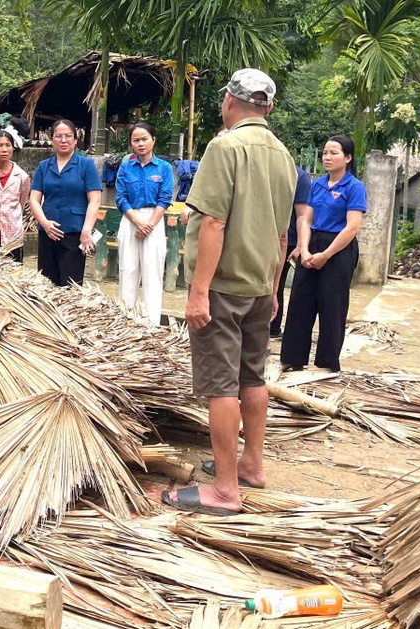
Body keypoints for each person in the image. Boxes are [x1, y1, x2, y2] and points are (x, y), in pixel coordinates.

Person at [161, 68, 297, 516]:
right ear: (269, 108)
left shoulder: (224, 146)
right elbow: (282, 234)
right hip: (260, 286)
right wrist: (274, 290)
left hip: (222, 286)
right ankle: (251, 465)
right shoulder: (283, 154)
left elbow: (213, 223)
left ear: (228, 101)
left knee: (221, 386)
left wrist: (198, 292)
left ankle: (223, 489)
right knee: (252, 377)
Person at [280, 136, 367, 372]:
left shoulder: (354, 187)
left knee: (332, 304)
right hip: (312, 242)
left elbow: (351, 227)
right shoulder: (318, 184)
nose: (327, 157)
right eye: (325, 152)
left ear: (348, 158)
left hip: (338, 248)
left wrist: (326, 255)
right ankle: (293, 357)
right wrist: (305, 249)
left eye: (334, 153)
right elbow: (307, 219)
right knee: (300, 301)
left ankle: (327, 362)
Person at [29, 119, 103, 286]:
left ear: (75, 140)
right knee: (47, 285)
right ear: (52, 140)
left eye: (68, 136)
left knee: (71, 285)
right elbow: (34, 199)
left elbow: (95, 200)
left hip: (75, 233)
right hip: (47, 232)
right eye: (58, 136)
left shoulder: (86, 165)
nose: (63, 140)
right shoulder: (43, 166)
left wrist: (86, 231)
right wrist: (44, 223)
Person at [115, 122, 175, 325]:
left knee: (153, 273)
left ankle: (151, 324)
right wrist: (137, 222)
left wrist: (149, 224)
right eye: (136, 140)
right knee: (128, 270)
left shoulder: (164, 168)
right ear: (131, 143)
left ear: (153, 140)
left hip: (154, 221)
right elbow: (121, 197)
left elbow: (165, 198)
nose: (141, 144)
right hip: (131, 218)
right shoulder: (125, 167)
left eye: (144, 139)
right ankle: (125, 320)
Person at [270, 166, 313, 337]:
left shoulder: (299, 176)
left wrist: (301, 245)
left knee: (277, 283)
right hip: (264, 236)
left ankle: (272, 328)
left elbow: (303, 215)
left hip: (289, 240)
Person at [0, 129, 30, 263]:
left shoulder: (22, 176)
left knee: (13, 275)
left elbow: (22, 203)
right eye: (0, 145)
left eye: (8, 145)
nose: (4, 149)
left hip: (13, 234)